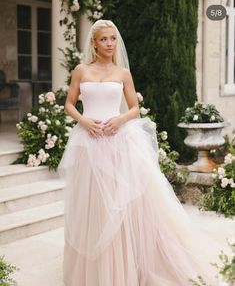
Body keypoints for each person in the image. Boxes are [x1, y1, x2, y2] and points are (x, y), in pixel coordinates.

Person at [59, 19, 225, 286]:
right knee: (94, 206)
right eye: (104, 39)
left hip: (118, 141)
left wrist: (119, 120)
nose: (110, 43)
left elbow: (134, 107)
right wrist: (84, 120)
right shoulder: (81, 70)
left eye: (113, 38)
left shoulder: (122, 73)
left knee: (121, 205)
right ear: (94, 43)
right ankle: (95, 272)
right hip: (88, 143)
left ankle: (125, 267)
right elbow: (69, 103)